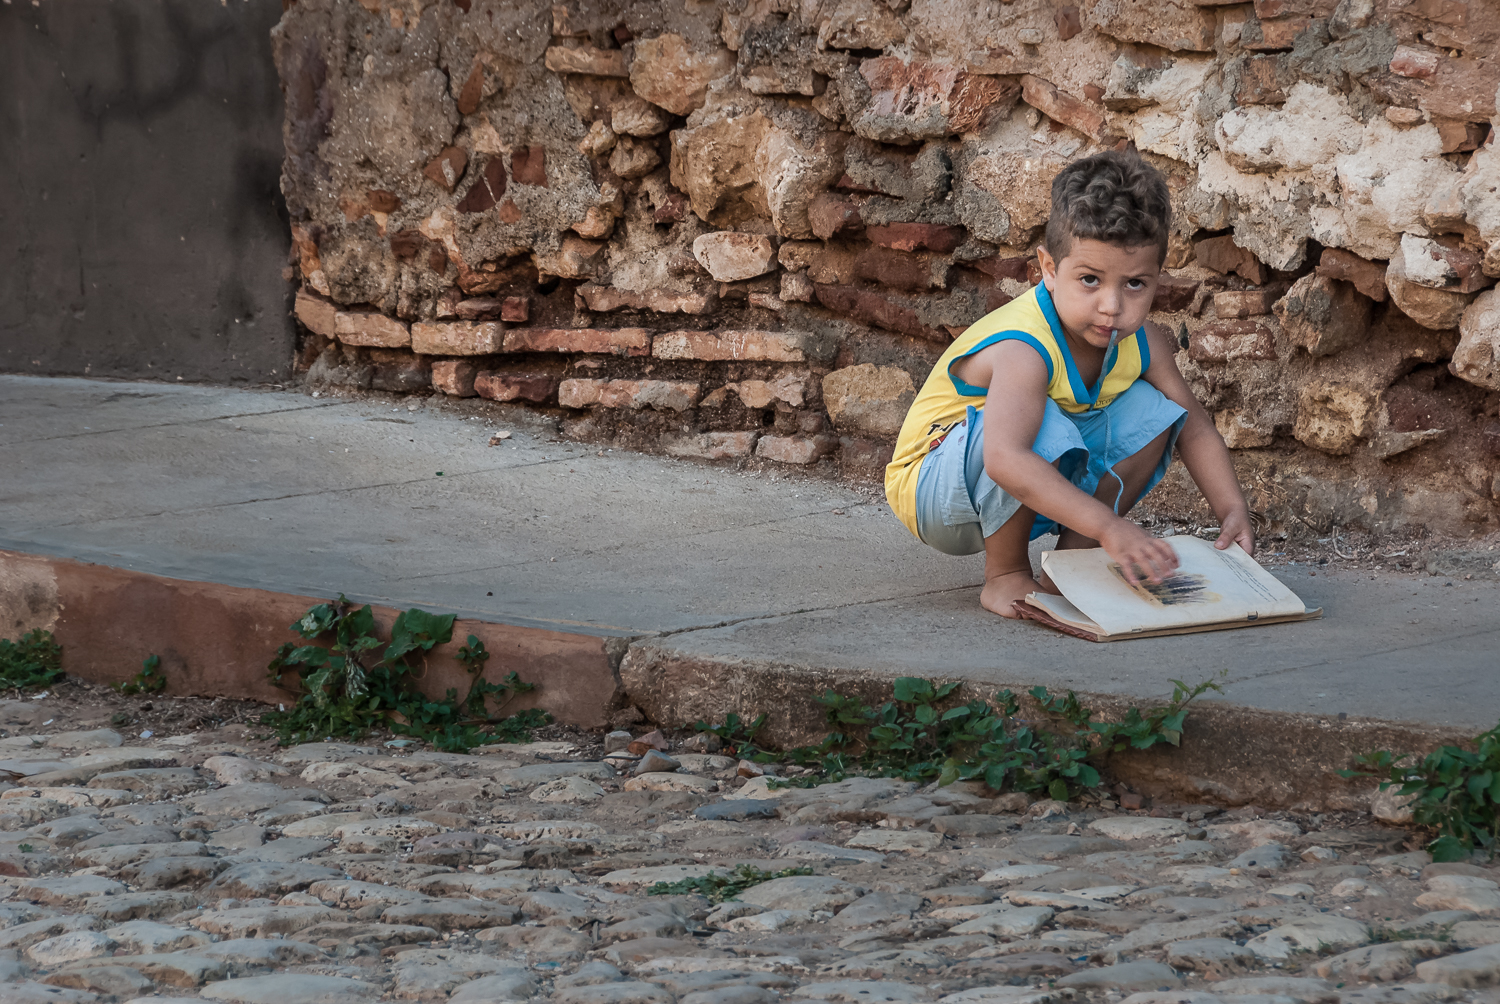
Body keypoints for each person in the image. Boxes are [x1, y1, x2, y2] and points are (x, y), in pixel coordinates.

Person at [883, 150, 1256, 618]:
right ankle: (1005, 575)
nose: (1112, 305)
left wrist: (1232, 509)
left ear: (1158, 279)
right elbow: (1005, 458)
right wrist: (1109, 526)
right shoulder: (1025, 347)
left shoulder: (1144, 343)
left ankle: (1070, 565)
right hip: (938, 491)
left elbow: (1196, 429)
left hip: (1027, 486)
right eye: (1090, 280)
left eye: (1135, 284)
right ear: (1048, 269)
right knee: (1038, 418)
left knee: (1160, 411)